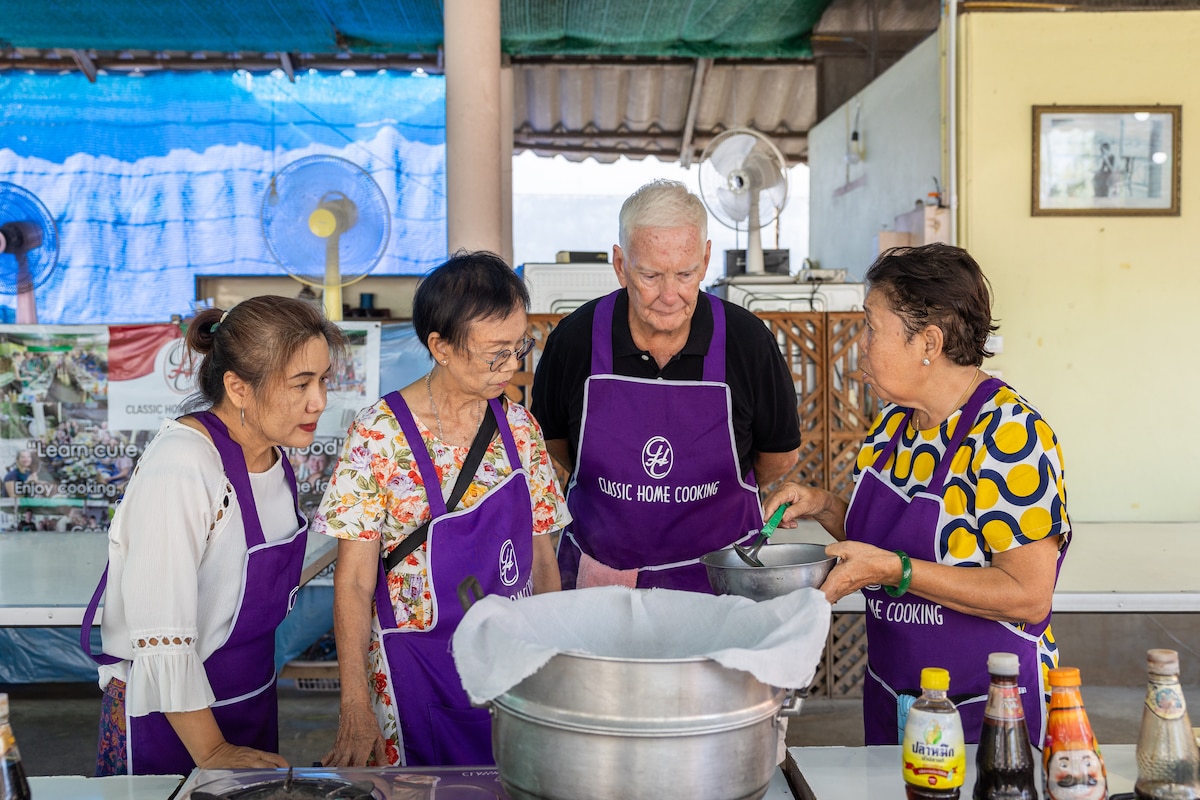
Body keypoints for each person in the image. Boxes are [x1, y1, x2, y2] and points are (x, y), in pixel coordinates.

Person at [762, 243, 1070, 747]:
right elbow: (876, 541)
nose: (859, 343)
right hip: (892, 695)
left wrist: (896, 572)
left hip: (987, 709)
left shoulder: (1008, 436)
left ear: (928, 341)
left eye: (870, 327)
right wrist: (823, 504)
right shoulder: (893, 426)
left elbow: (1029, 596)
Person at [316, 251, 567, 768]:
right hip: (411, 672)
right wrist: (355, 703)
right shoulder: (380, 434)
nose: (513, 365)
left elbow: (542, 560)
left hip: (507, 669)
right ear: (442, 347)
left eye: (519, 346)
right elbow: (355, 581)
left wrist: (554, 666)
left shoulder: (521, 430)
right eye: (496, 353)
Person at [81, 296, 347, 776]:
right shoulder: (183, 465)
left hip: (250, 702)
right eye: (301, 384)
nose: (320, 401)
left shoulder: (273, 456)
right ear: (238, 387)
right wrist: (211, 751)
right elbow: (159, 634)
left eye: (323, 379)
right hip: (171, 719)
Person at [530, 179, 801, 592]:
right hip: (601, 585)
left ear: (706, 259)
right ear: (620, 265)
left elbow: (778, 457)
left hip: (721, 583)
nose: (670, 295)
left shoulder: (747, 342)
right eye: (651, 275)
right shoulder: (575, 339)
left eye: (686, 273)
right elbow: (555, 443)